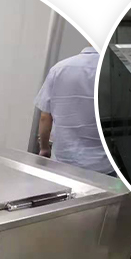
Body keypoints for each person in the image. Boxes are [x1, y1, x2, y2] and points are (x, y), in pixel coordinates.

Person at [34, 46, 115, 176]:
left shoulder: (59, 69)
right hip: (102, 165)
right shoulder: (113, 71)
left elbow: (45, 117)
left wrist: (44, 148)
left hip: (63, 160)